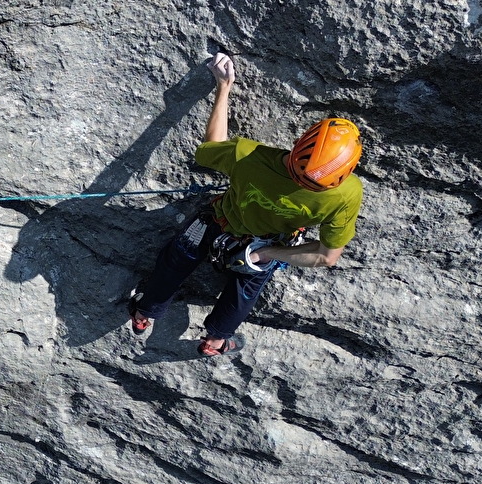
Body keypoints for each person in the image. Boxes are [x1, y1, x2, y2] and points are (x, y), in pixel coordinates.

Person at [128, 52, 364, 356]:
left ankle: (145, 312)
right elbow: (327, 256)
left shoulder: (249, 156)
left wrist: (223, 87)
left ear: (300, 144)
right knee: (248, 285)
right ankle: (217, 340)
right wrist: (267, 253)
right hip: (264, 243)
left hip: (218, 222)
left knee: (178, 258)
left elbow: (208, 150)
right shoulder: (346, 194)